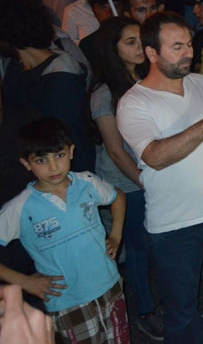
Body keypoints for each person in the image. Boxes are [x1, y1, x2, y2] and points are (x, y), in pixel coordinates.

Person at [116, 12, 203, 343]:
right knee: (182, 312)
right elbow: (155, 157)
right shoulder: (134, 103)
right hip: (175, 226)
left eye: (189, 44)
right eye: (177, 46)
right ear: (152, 53)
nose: (188, 53)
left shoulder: (202, 83)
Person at [0, 118, 129, 343]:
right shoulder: (19, 208)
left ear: (70, 152)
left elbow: (118, 197)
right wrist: (24, 282)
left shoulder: (87, 182)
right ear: (26, 163)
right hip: (68, 301)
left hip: (110, 285)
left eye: (59, 155)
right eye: (41, 160)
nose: (53, 167)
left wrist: (116, 235)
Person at [90, 16, 163, 340]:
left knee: (160, 243)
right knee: (137, 248)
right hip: (126, 182)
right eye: (129, 42)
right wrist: (146, 182)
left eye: (140, 40)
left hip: (155, 174)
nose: (140, 47)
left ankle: (167, 301)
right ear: (112, 49)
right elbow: (116, 151)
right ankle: (146, 310)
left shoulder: (150, 79)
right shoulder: (104, 93)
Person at [0, 0, 95, 173]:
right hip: (24, 169)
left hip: (54, 176)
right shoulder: (16, 65)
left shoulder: (62, 76)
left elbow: (65, 139)